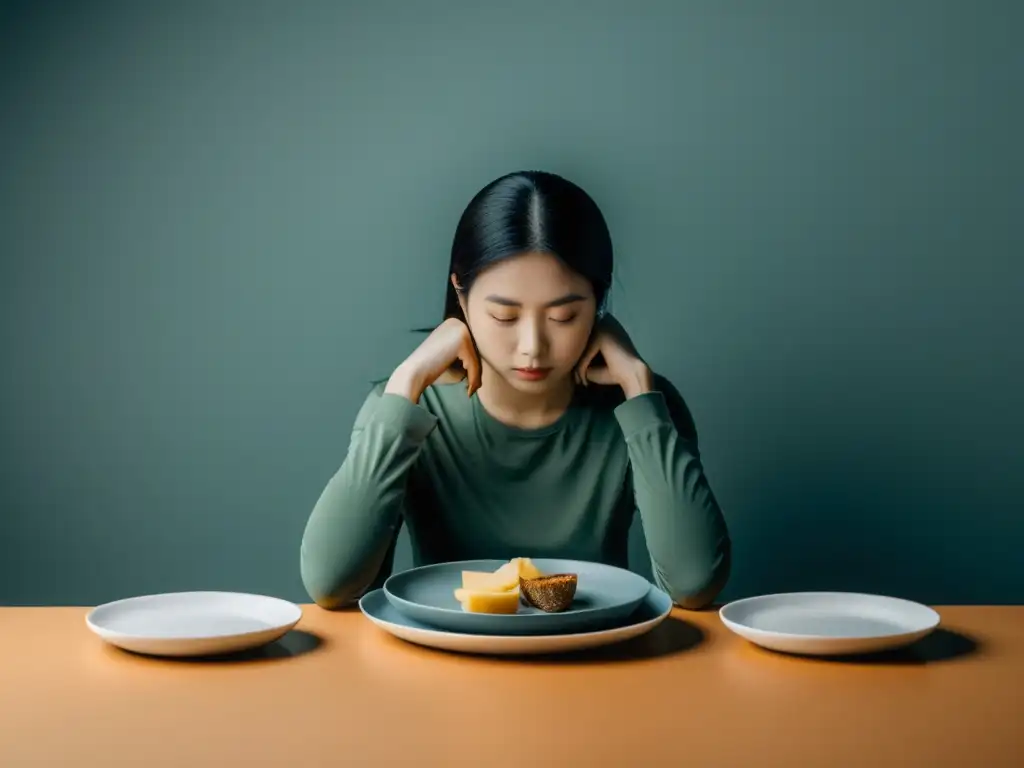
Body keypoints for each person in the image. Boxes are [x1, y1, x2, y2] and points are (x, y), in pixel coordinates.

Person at [300, 170, 731, 611]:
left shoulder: (640, 407)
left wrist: (640, 390)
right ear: (461, 297)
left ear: (598, 304)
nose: (532, 348)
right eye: (504, 316)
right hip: (441, 662)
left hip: (598, 661)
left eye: (563, 317)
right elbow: (331, 584)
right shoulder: (407, 409)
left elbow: (694, 583)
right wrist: (405, 383)